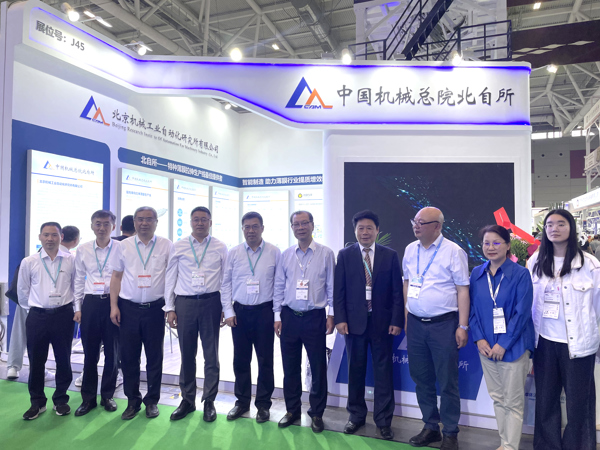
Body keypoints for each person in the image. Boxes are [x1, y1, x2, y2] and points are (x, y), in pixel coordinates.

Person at [529, 209, 600, 450]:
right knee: (545, 401)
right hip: (544, 342)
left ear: (571, 228)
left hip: (579, 343)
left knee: (579, 404)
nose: (554, 229)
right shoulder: (535, 261)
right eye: (549, 224)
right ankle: (547, 445)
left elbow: (598, 306)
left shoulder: (589, 264)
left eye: (561, 224)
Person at [402, 207, 470, 450]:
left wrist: (462, 325)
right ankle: (430, 427)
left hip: (444, 325)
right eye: (415, 221)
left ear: (437, 226)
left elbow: (463, 289)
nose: (416, 225)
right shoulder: (410, 249)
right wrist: (407, 316)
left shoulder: (454, 251)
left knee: (447, 381)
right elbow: (407, 283)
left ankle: (450, 432)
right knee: (421, 378)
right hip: (416, 324)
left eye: (422, 222)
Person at [334, 210, 404, 440]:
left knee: (383, 373)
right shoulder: (345, 255)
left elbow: (397, 292)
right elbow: (339, 291)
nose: (365, 232)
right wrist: (340, 318)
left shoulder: (389, 255)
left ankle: (383, 421)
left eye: (369, 228)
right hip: (353, 324)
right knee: (355, 371)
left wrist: (396, 320)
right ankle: (355, 416)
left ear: (377, 231)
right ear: (355, 231)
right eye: (361, 228)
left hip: (382, 324)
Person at [469, 225, 535, 450]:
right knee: (498, 398)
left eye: (497, 242)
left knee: (513, 402)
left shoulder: (520, 274)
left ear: (508, 245)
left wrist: (503, 344)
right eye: (486, 243)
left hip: (514, 348)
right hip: (486, 348)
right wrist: (479, 339)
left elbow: (522, 313)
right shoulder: (477, 274)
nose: (491, 247)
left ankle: (510, 446)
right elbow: (472, 310)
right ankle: (504, 443)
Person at [273, 210, 335, 433]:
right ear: (292, 228)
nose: (300, 227)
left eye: (304, 223)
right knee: (290, 367)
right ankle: (292, 410)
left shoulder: (326, 253)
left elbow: (331, 286)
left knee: (318, 367)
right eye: (296, 224)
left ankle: (317, 413)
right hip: (289, 317)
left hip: (314, 317)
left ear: (312, 225)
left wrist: (331, 315)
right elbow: (279, 287)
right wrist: (277, 316)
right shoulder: (286, 255)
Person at [109, 206, 173, 420]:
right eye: (140, 219)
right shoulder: (123, 246)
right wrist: (114, 306)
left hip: (155, 309)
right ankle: (132, 401)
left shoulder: (166, 245)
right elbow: (116, 277)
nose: (144, 223)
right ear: (134, 222)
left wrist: (170, 307)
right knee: (129, 358)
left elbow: (171, 277)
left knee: (154, 357)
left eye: (149, 219)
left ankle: (152, 401)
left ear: (156, 222)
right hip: (128, 309)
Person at [164, 206, 228, 422]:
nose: (200, 223)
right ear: (191, 222)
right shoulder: (179, 246)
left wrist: (225, 307)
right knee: (187, 354)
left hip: (211, 303)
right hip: (185, 304)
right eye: (196, 219)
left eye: (204, 219)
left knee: (211, 355)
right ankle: (187, 400)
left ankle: (209, 400)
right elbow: (170, 277)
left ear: (210, 222)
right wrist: (170, 308)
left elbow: (226, 279)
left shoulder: (220, 246)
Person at [221, 212, 281, 423]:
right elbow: (226, 284)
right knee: (240, 360)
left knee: (265, 360)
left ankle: (263, 405)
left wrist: (277, 315)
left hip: (265, 312)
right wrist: (229, 311)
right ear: (242, 229)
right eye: (247, 227)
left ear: (262, 228)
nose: (251, 230)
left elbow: (279, 285)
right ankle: (242, 402)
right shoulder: (234, 252)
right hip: (240, 313)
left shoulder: (274, 252)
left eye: (255, 226)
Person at [17, 222, 78, 420]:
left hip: (63, 315)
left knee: (63, 359)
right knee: (36, 361)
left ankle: (61, 400)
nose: (50, 239)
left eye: (54, 235)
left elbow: (76, 287)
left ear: (61, 237)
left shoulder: (71, 260)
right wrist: (36, 308)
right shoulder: (29, 261)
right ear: (40, 237)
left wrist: (76, 309)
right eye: (46, 235)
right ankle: (37, 402)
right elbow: (22, 291)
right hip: (37, 316)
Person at [73, 210, 121, 416]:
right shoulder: (83, 249)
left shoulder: (121, 248)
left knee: (113, 353)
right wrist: (77, 308)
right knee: (90, 353)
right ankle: (88, 398)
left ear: (113, 226)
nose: (102, 228)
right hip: (91, 303)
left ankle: (108, 396)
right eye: (98, 224)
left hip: (114, 303)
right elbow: (78, 279)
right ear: (92, 226)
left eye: (106, 224)